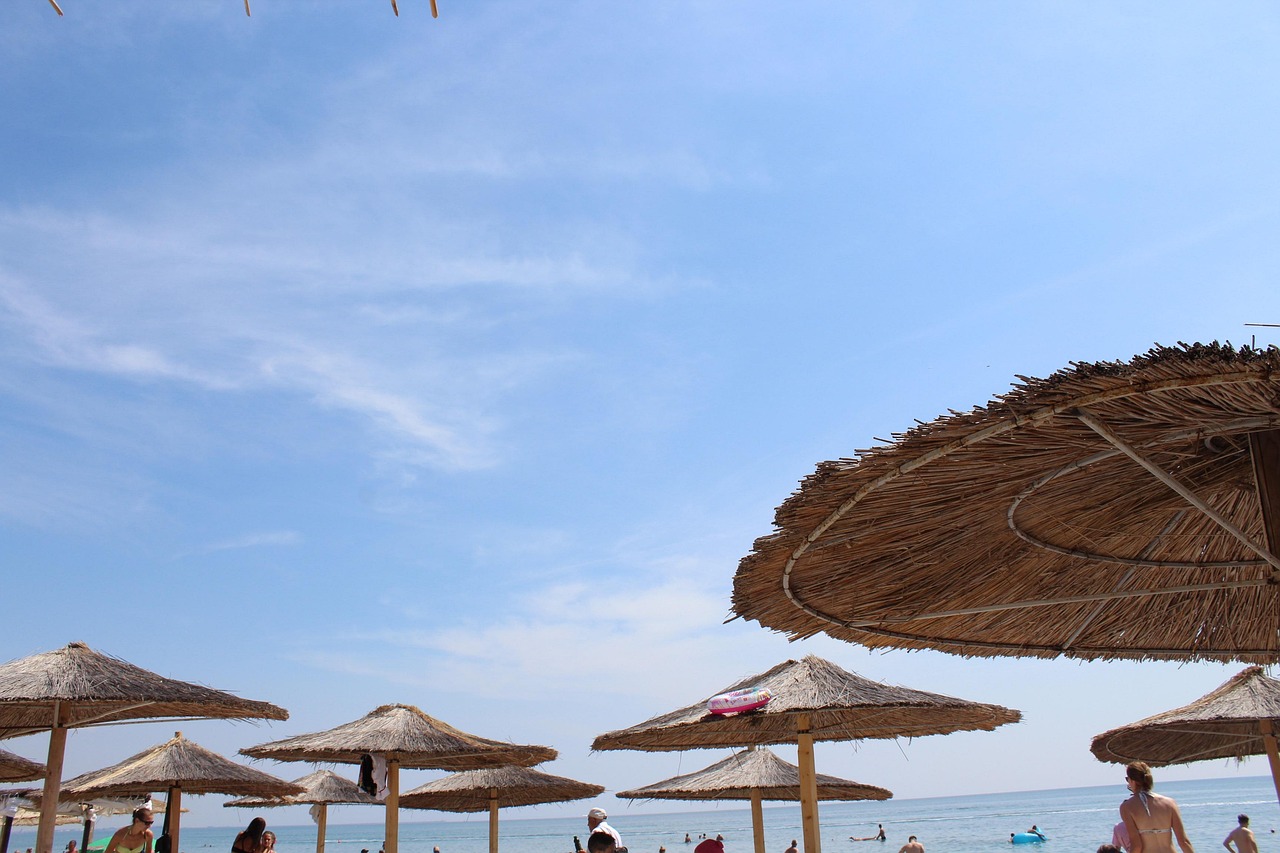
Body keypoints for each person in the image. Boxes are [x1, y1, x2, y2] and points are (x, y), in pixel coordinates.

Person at [1118, 761, 1194, 853]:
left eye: (1127, 779)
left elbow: (1137, 846)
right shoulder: (1170, 803)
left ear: (1132, 781)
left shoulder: (1127, 807)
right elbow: (1184, 842)